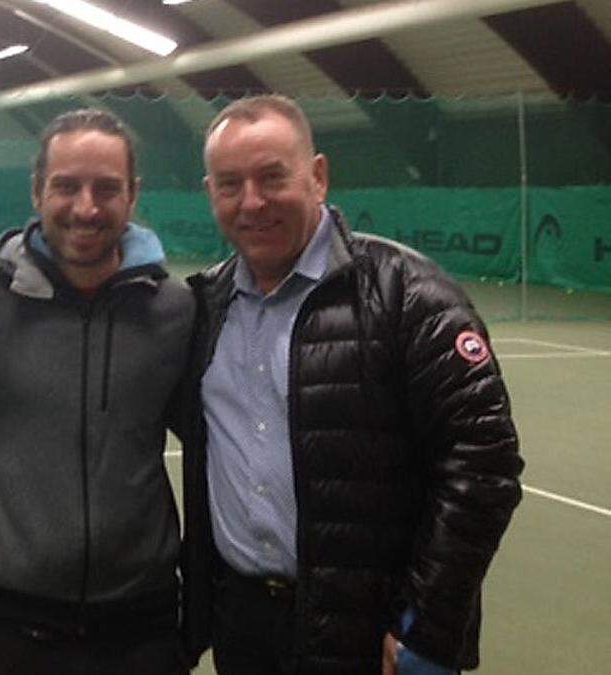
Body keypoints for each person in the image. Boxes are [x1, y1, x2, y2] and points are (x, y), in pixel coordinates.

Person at [177, 94, 524, 674]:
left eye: (271, 177)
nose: (252, 202)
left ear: (317, 177)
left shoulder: (409, 296)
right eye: (230, 183)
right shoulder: (203, 307)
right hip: (245, 630)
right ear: (209, 191)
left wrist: (426, 624)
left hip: (371, 635)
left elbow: (484, 462)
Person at [0, 109, 194, 675]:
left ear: (133, 195)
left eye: (107, 188)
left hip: (140, 628)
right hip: (1, 625)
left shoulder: (176, 310)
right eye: (66, 186)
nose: (86, 207)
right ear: (37, 191)